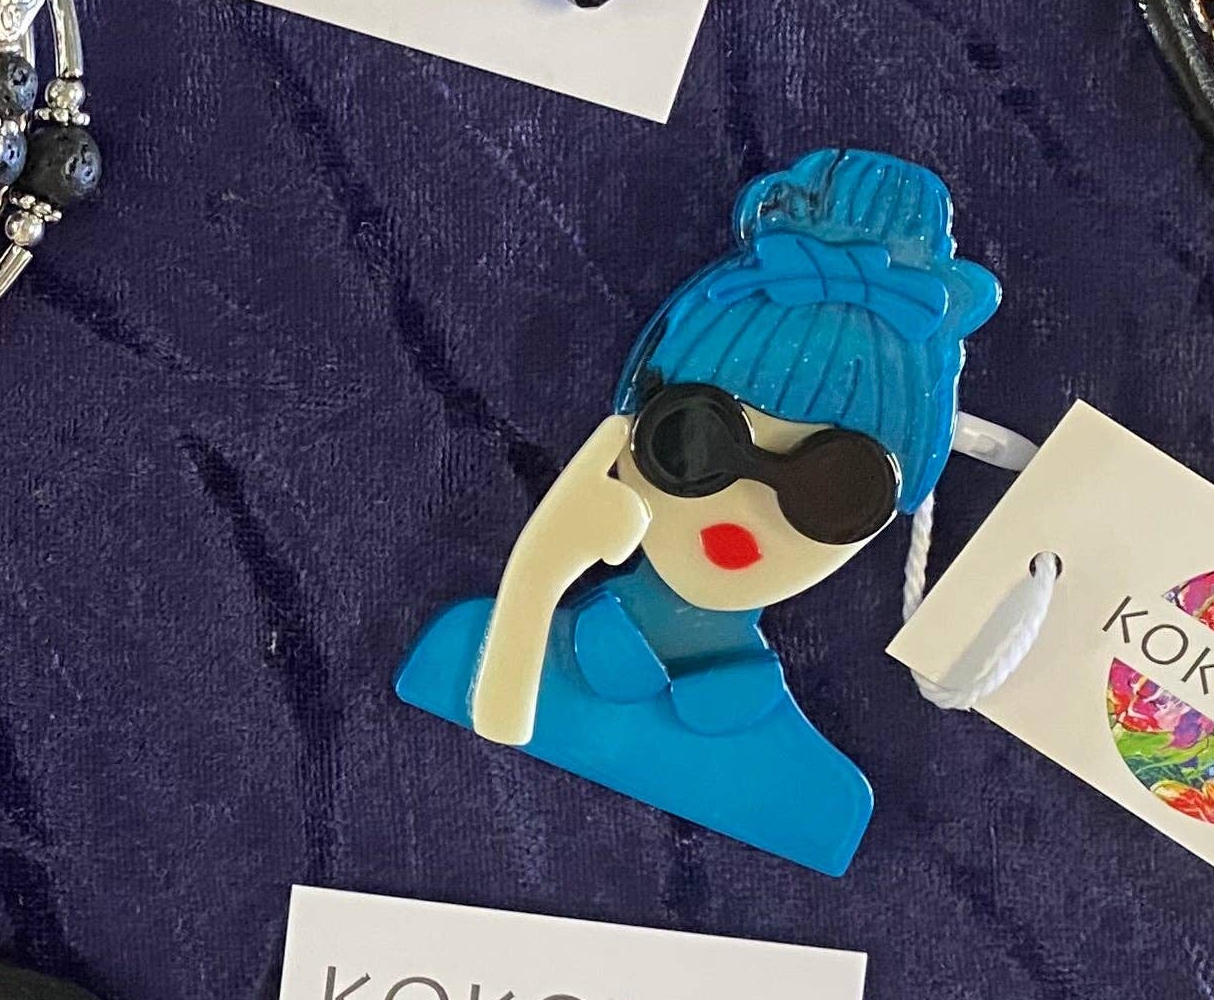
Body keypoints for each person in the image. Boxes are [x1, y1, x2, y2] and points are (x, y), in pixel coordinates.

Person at [394, 148, 999, 877]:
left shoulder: (816, 800)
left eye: (833, 487)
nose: (743, 503)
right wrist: (535, 578)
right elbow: (494, 722)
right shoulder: (465, 649)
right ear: (627, 428)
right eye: (696, 439)